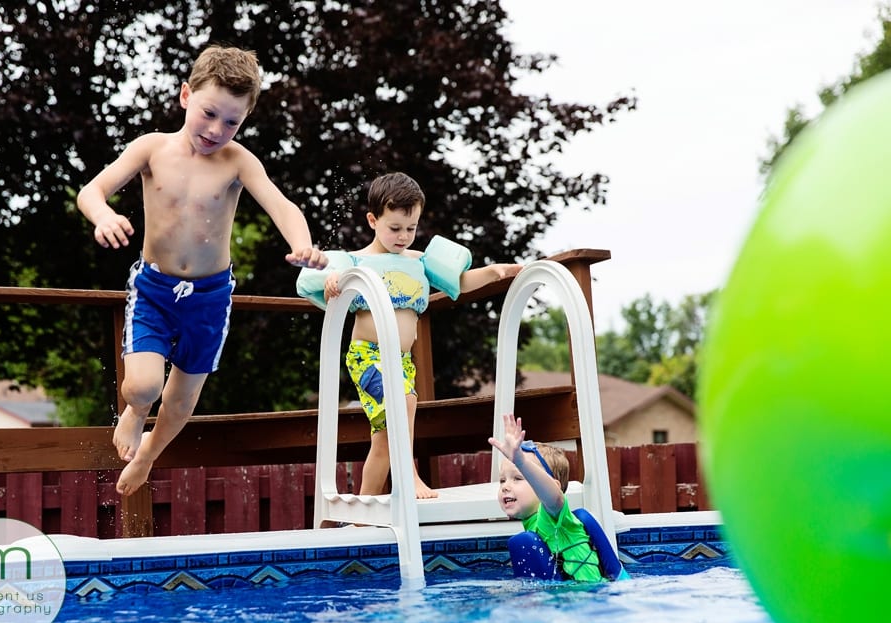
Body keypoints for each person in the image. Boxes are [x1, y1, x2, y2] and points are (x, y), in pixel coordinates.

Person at [77, 45, 327, 497]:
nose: (217, 130)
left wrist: (301, 244)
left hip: (210, 296)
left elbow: (281, 205)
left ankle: (149, 456)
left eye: (232, 122)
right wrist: (103, 216)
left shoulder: (238, 161)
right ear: (185, 95)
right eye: (209, 113)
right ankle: (135, 413)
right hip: (155, 288)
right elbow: (92, 190)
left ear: (245, 119)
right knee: (144, 386)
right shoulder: (151, 148)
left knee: (181, 400)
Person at [297, 172, 522, 499]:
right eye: (395, 228)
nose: (404, 236)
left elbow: (459, 281)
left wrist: (495, 272)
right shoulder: (356, 263)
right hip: (368, 355)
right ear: (373, 220)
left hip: (401, 359)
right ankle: (411, 477)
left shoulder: (418, 262)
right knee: (404, 401)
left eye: (411, 228)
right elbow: (328, 281)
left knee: (385, 441)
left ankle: (363, 512)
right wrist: (334, 281)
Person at [489, 413, 606, 582]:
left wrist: (521, 462)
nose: (505, 486)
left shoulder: (553, 516)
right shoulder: (533, 526)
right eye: (502, 480)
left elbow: (554, 498)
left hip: (589, 598)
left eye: (519, 478)